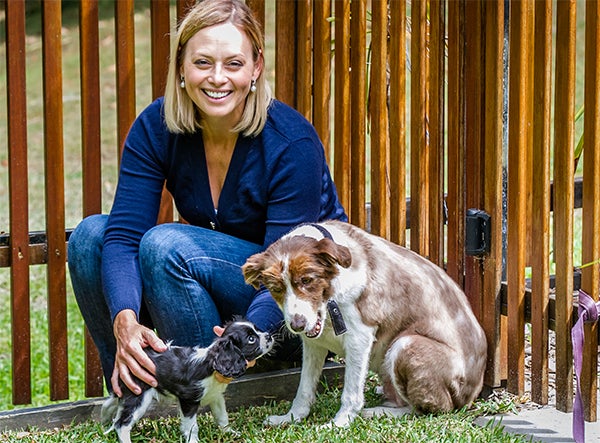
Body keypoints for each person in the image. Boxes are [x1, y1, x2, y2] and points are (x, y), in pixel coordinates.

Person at [68, 0, 346, 398]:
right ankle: (131, 385)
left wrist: (245, 337)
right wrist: (125, 321)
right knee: (90, 237)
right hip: (223, 292)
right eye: (203, 62)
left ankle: (210, 386)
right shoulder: (157, 126)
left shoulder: (291, 142)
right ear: (181, 66)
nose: (217, 78)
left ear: (256, 68)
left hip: (290, 314)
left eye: (233, 63)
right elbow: (124, 236)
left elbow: (284, 272)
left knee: (167, 245)